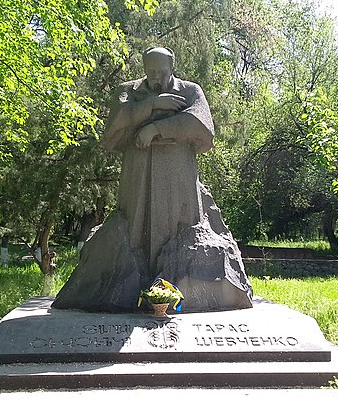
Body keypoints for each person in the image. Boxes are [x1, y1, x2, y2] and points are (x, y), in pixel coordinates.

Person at [52, 47, 252, 312]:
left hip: (178, 170)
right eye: (152, 72)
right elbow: (116, 122)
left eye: (162, 72)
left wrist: (155, 128)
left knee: (182, 225)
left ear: (172, 67)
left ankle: (177, 290)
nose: (157, 77)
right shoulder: (129, 90)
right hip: (139, 168)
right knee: (135, 227)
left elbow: (200, 124)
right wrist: (152, 105)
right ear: (145, 68)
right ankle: (134, 288)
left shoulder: (190, 91)